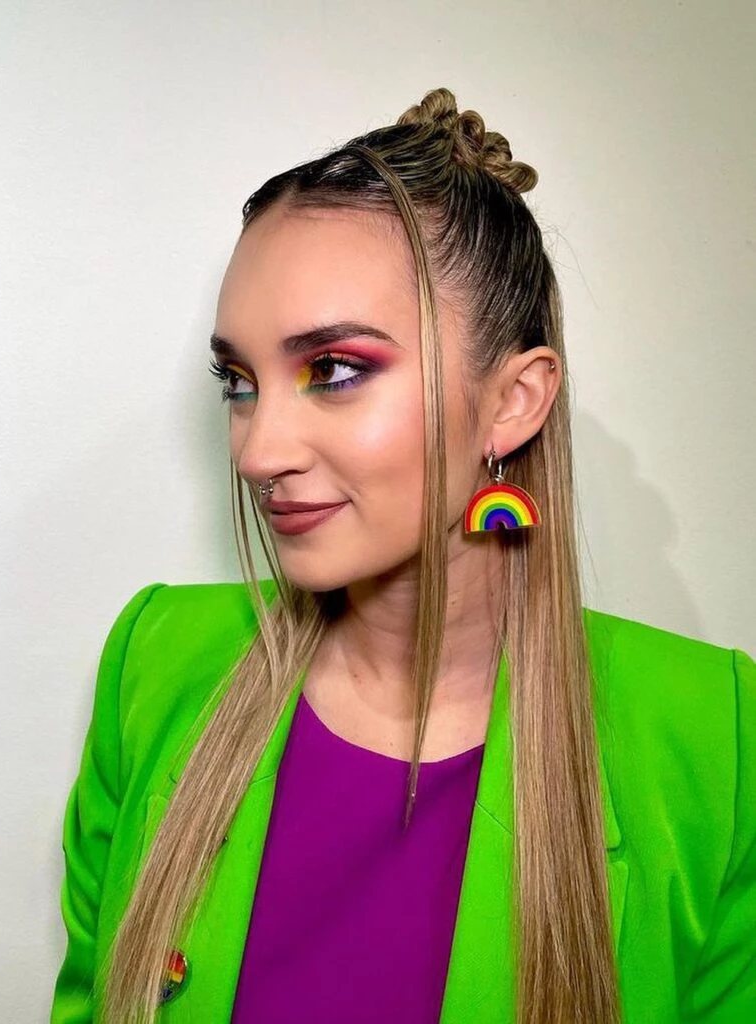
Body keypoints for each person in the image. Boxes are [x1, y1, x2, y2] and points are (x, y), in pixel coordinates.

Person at [50, 87, 755, 1024]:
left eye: (334, 370)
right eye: (238, 380)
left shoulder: (715, 739)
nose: (257, 452)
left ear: (513, 401)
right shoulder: (153, 663)